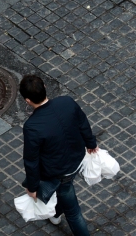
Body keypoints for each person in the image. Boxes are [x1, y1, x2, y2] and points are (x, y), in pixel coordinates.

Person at [19, 74, 98, 236]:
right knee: (64, 192)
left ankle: (58, 216)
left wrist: (32, 187)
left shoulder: (32, 126)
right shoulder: (67, 102)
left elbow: (31, 160)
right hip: (78, 159)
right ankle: (55, 214)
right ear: (45, 88)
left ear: (27, 100)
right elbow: (83, 123)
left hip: (60, 172)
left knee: (74, 213)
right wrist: (91, 143)